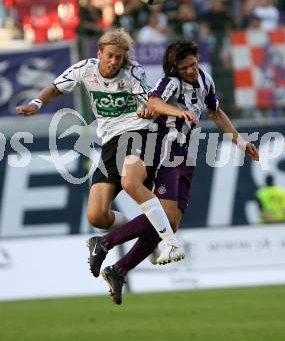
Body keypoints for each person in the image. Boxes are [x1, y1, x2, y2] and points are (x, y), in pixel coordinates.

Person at [89, 40, 260, 304]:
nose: (191, 70)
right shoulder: (171, 83)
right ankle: (106, 243)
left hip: (187, 155)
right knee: (165, 218)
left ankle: (118, 270)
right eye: (185, 67)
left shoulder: (205, 79)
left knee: (173, 223)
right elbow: (154, 102)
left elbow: (216, 113)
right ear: (175, 67)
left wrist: (240, 141)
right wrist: (177, 112)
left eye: (193, 64)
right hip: (164, 150)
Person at [15, 28, 188, 268]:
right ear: (100, 53)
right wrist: (36, 103)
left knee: (130, 183)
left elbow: (150, 100)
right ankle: (140, 235)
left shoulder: (133, 72)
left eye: (119, 57)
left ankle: (170, 240)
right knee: (97, 215)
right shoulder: (85, 69)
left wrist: (151, 108)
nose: (114, 61)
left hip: (139, 133)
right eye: (110, 55)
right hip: (110, 142)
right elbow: (55, 87)